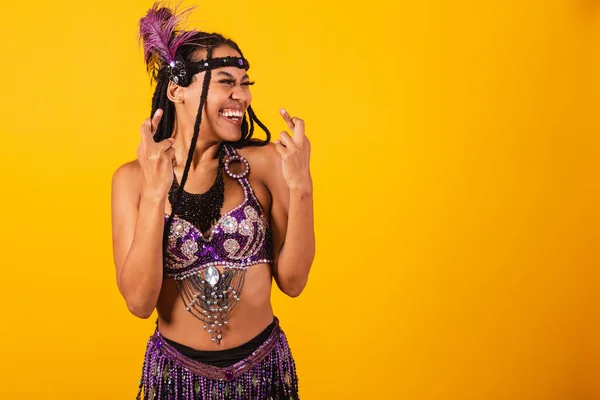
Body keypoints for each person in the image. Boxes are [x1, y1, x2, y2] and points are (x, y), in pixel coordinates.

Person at [110, 2, 315, 399]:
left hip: (262, 374)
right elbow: (138, 302)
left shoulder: (270, 164)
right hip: (176, 379)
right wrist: (155, 194)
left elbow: (293, 282)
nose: (242, 96)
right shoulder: (131, 181)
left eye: (245, 83)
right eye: (226, 81)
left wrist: (302, 186)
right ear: (176, 90)